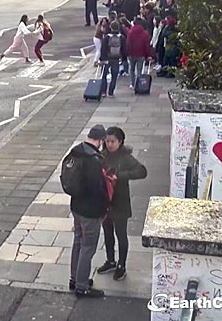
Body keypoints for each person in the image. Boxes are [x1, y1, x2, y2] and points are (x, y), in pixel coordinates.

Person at [95, 127, 147, 281]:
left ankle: (121, 265)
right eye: (107, 141)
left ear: (120, 142)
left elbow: (142, 171)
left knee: (121, 234)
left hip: (120, 202)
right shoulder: (102, 156)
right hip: (105, 202)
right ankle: (110, 260)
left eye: (113, 141)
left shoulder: (125, 158)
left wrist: (120, 175)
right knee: (108, 233)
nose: (109, 144)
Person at [64, 124, 110, 298]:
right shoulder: (93, 160)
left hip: (76, 206)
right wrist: (104, 208)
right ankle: (82, 286)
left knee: (78, 242)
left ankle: (75, 278)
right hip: (90, 211)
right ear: (99, 140)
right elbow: (99, 188)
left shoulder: (76, 151)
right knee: (88, 247)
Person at [100, 21, 127, 98]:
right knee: (114, 76)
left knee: (104, 75)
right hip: (116, 58)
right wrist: (124, 58)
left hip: (107, 59)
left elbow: (103, 49)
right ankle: (111, 92)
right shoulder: (121, 37)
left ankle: (103, 92)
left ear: (111, 27)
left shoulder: (107, 37)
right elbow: (124, 49)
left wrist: (102, 59)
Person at [125, 18, 152, 90]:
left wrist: (127, 52)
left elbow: (128, 44)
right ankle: (138, 84)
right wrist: (148, 55)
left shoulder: (130, 32)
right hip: (141, 54)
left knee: (131, 69)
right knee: (139, 70)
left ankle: (132, 83)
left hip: (132, 54)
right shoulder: (145, 33)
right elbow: (147, 45)